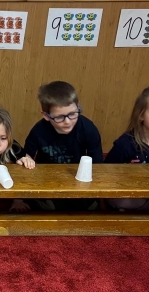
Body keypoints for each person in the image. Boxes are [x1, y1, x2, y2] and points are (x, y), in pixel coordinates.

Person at [24, 80, 102, 210]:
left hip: (78, 183)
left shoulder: (88, 129)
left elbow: (98, 166)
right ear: (46, 116)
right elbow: (25, 159)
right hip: (47, 183)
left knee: (89, 207)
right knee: (48, 208)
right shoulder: (38, 131)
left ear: (78, 107)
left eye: (72, 114)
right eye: (59, 117)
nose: (67, 122)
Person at [104, 86, 149, 210]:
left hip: (147, 191)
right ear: (141, 115)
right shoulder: (125, 144)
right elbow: (105, 171)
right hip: (122, 191)